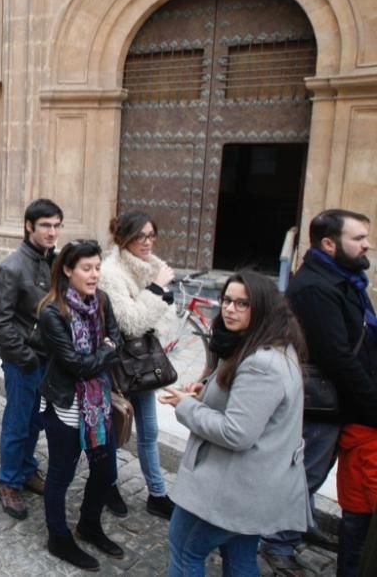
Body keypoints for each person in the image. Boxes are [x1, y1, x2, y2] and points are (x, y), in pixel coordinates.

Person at [160, 270, 309, 576]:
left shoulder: (261, 362)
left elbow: (236, 432)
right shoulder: (268, 344)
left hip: (231, 489)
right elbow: (251, 405)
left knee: (185, 550)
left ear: (263, 308)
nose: (229, 308)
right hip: (251, 489)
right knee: (240, 557)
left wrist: (187, 407)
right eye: (227, 300)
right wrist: (207, 392)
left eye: (242, 304)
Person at [261, 208, 377, 575]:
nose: (367, 245)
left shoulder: (346, 278)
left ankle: (299, 526)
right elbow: (337, 356)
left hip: (341, 399)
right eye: (358, 238)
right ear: (329, 244)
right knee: (305, 474)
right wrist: (371, 402)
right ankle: (278, 544)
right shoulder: (315, 287)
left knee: (314, 472)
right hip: (321, 402)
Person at [35, 239, 123, 571]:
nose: (94, 274)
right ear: (68, 270)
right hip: (66, 407)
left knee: (106, 471)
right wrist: (105, 350)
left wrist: (101, 351)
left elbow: (118, 338)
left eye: (98, 267)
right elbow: (75, 364)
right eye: (87, 268)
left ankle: (88, 524)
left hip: (98, 406)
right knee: (61, 474)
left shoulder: (102, 300)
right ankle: (58, 537)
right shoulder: (52, 311)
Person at [97, 211, 177, 520]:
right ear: (124, 238)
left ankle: (157, 493)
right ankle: (110, 485)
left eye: (151, 235)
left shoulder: (153, 267)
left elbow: (167, 314)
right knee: (117, 425)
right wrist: (155, 290)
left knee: (150, 431)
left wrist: (154, 298)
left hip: (143, 361)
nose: (147, 242)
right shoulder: (110, 272)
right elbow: (130, 323)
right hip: (118, 364)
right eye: (140, 236)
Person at [0, 198, 62, 520]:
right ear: (29, 226)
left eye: (57, 225)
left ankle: (27, 468)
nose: (52, 232)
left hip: (48, 360)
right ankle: (9, 482)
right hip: (23, 361)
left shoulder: (54, 262)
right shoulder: (12, 266)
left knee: (35, 422)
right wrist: (25, 356)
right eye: (45, 225)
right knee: (17, 423)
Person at [337, 423, 377, 576]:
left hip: (350, 502)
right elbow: (373, 482)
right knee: (358, 554)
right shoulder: (373, 441)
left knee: (348, 550)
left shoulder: (354, 433)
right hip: (366, 509)